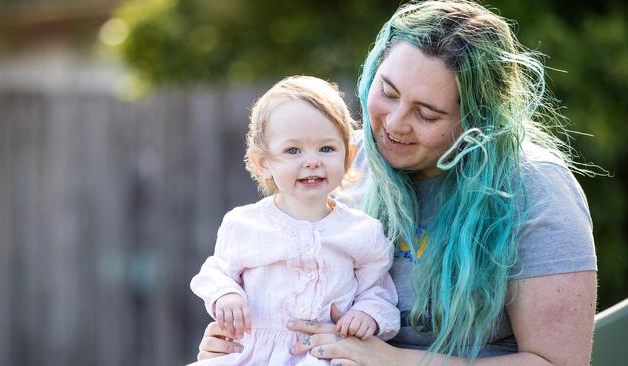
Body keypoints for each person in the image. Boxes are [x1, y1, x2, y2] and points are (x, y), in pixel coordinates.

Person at [194, 1, 598, 365]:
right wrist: (237, 344)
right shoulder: (341, 164)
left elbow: (557, 362)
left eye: (427, 114)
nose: (394, 124)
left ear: (478, 122)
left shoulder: (533, 189)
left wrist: (393, 361)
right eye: (387, 92)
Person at [188, 75, 400, 365]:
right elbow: (215, 272)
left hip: (321, 355)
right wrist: (226, 295)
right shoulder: (245, 224)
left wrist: (367, 315)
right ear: (264, 162)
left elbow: (379, 292)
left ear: (348, 157)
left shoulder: (361, 232)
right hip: (253, 353)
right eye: (293, 150)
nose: (312, 161)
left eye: (326, 149)